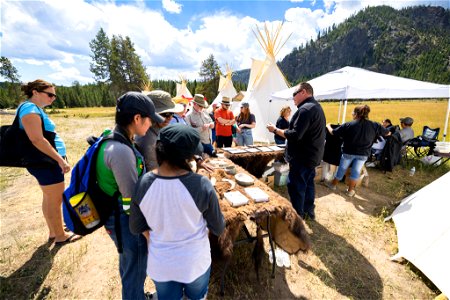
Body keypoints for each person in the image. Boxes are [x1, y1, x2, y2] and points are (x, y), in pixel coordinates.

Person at [130, 124, 225, 300]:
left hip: (161, 263)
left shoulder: (142, 184)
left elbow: (136, 226)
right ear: (188, 157)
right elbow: (218, 228)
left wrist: (157, 241)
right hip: (195, 262)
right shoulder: (202, 185)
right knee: (196, 297)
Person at [96, 91, 164, 300]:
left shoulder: (115, 138)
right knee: (136, 263)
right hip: (124, 220)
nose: (152, 123)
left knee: (129, 264)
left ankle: (136, 295)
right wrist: (148, 235)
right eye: (150, 119)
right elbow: (131, 203)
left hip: (119, 216)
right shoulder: (121, 152)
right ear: (137, 119)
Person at [18, 79, 81, 245]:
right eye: (50, 94)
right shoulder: (29, 109)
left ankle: (54, 230)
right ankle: (60, 236)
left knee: (49, 197)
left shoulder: (33, 108)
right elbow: (37, 140)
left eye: (54, 96)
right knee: (55, 199)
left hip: (45, 162)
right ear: (35, 92)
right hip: (45, 162)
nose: (53, 98)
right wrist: (60, 160)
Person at [266, 82, 326, 220]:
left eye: (294, 94)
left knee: (296, 186)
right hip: (312, 156)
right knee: (308, 185)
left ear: (303, 92)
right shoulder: (317, 107)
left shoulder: (305, 109)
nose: (293, 98)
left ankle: (298, 217)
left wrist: (275, 130)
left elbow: (295, 135)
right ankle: (309, 212)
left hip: (302, 158)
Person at [325, 105, 390, 197]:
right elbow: (388, 133)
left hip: (348, 152)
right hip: (363, 154)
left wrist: (328, 126)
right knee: (356, 172)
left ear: (356, 114)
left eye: (352, 113)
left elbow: (333, 132)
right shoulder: (375, 125)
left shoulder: (349, 124)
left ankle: (333, 185)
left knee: (342, 169)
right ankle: (350, 191)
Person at [135, 90, 184, 171]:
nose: (170, 118)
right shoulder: (146, 138)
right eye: (165, 114)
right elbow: (153, 171)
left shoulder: (159, 127)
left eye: (172, 113)